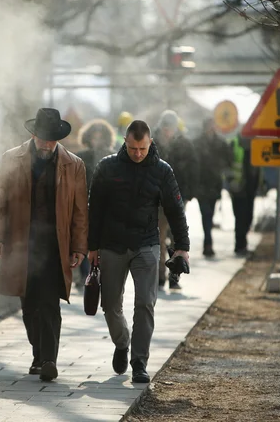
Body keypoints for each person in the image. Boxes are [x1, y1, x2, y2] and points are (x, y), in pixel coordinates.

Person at [0, 108, 88, 382]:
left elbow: (80, 211)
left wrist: (79, 247)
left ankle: (49, 360)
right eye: (42, 138)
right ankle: (38, 354)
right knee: (29, 303)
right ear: (33, 134)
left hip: (57, 244)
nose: (46, 144)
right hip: (21, 243)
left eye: (51, 139)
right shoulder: (11, 159)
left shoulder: (74, 164)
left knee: (50, 303)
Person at [87, 120, 190, 383]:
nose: (138, 154)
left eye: (143, 149)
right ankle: (122, 343)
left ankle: (139, 362)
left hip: (147, 244)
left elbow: (175, 211)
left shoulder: (162, 171)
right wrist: (92, 246)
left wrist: (182, 248)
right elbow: (94, 209)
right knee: (110, 306)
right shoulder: (107, 167)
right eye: (133, 148)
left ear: (150, 143)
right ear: (125, 141)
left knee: (145, 303)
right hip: (112, 244)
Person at [152, 110, 198, 290]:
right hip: (158, 199)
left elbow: (193, 169)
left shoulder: (184, 144)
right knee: (159, 238)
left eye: (170, 127)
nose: (167, 131)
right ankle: (159, 277)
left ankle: (174, 276)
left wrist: (190, 192)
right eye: (165, 127)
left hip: (178, 198)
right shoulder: (152, 143)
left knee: (176, 238)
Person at [74, 119, 117, 287]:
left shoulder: (113, 157)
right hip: (85, 204)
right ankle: (86, 274)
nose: (97, 140)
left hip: (108, 206)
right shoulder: (81, 158)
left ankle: (103, 273)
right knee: (86, 240)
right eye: (94, 137)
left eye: (100, 137)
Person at [193, 118, 234, 257]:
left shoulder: (220, 143)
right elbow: (192, 162)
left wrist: (222, 169)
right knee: (206, 214)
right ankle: (208, 243)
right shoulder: (197, 143)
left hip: (215, 184)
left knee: (210, 214)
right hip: (201, 185)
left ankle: (208, 241)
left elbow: (229, 159)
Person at [226, 133, 260, 256]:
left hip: (251, 188)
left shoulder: (257, 143)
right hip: (238, 188)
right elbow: (227, 164)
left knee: (248, 217)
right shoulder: (234, 143)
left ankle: (242, 243)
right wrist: (230, 182)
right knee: (240, 217)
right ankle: (240, 245)